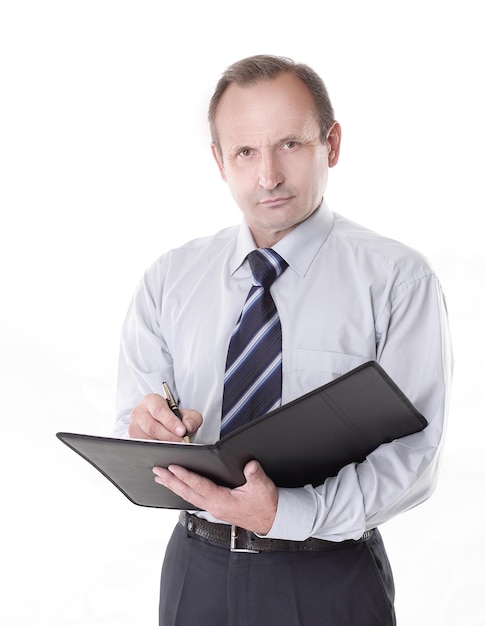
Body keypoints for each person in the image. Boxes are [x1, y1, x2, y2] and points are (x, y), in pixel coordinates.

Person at [114, 54, 452, 625]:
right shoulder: (169, 279)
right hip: (195, 571)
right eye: (245, 152)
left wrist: (286, 514)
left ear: (332, 144)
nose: (268, 176)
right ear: (220, 161)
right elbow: (134, 419)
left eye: (290, 145)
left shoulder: (398, 280)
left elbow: (413, 458)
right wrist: (145, 430)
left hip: (328, 575)